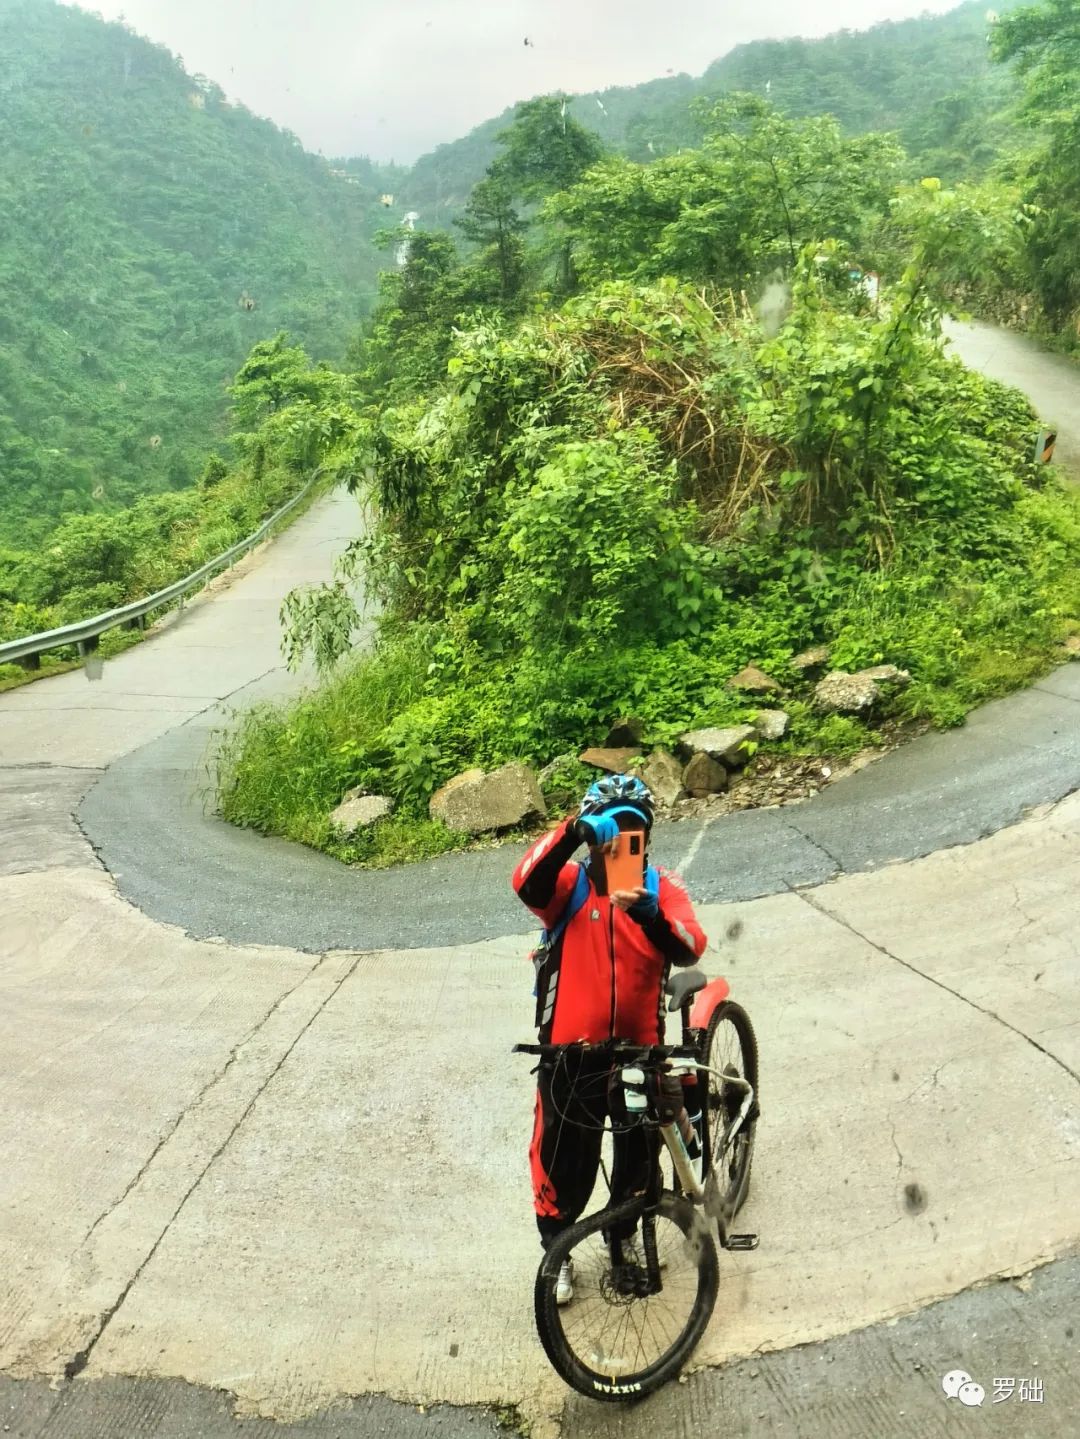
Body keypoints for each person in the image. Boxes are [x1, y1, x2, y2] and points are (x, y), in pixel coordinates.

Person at [511, 773, 708, 1303]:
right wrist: (574, 831)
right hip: (570, 1052)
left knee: (638, 1156)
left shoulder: (660, 887)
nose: (620, 842)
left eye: (633, 830)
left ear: (648, 835)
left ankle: (624, 1243)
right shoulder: (568, 885)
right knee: (561, 1161)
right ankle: (558, 1253)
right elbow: (525, 881)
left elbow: (691, 944)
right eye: (610, 831)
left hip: (639, 1050)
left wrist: (648, 913)